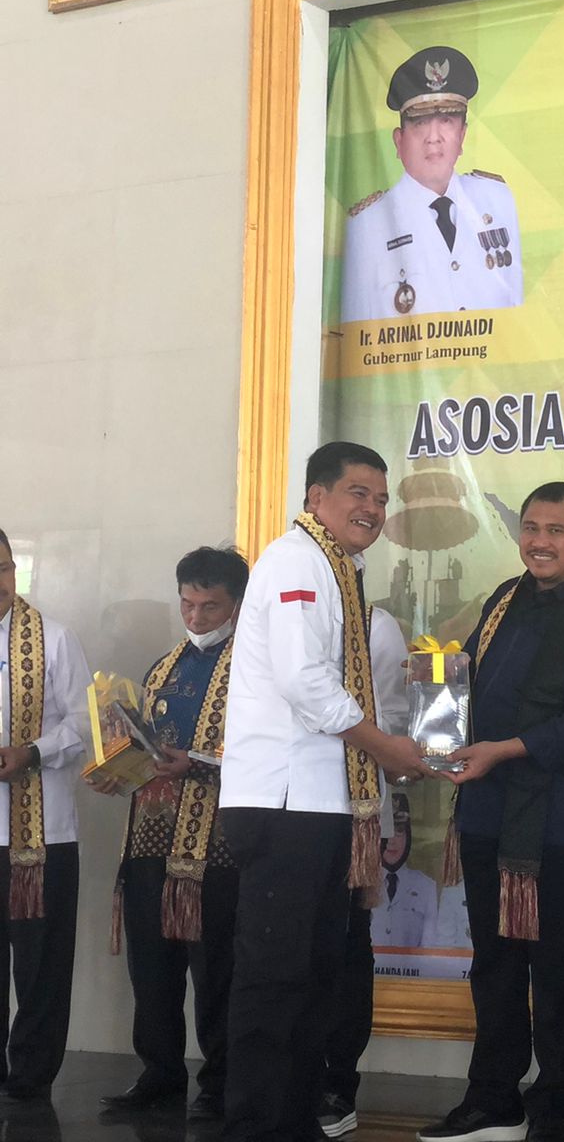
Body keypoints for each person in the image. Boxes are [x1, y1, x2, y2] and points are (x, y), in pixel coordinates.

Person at [219, 442, 434, 1140]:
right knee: (274, 978)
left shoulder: (340, 567)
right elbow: (303, 681)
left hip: (324, 804)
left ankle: (294, 1120)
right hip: (284, 802)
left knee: (316, 976)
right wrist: (383, 747)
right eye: (357, 493)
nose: (372, 508)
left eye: (381, 498)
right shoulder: (295, 559)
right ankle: (255, 1126)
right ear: (316, 497)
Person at [419, 482, 564, 1142]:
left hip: (561, 823)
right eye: (531, 528)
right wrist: (437, 718)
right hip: (487, 811)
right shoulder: (503, 600)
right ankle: (493, 1099)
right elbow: (469, 682)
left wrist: (503, 750)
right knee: (495, 962)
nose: (540, 542)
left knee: (556, 967)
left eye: (556, 531)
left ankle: (554, 1109)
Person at [94, 548, 249, 1121]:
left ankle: (221, 1084)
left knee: (217, 971)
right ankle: (159, 1073)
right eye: (187, 604)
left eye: (211, 607)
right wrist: (117, 768)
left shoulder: (254, 669)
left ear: (238, 604)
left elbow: (266, 754)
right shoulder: (162, 668)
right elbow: (145, 746)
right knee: (152, 967)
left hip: (217, 844)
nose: (197, 617)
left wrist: (199, 762)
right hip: (151, 837)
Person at [0, 526, 91, 1100]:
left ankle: (31, 1082)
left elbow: (85, 724)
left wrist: (31, 752)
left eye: (4, 568)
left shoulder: (54, 639)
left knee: (42, 967)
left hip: (42, 836)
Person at [341, 45, 523, 322]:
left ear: (462, 136)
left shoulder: (497, 199)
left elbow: (515, 313)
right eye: (420, 123)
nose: (433, 137)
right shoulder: (368, 224)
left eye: (446, 120)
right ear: (399, 141)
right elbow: (358, 332)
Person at [318, 602, 410, 1139]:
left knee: (347, 946)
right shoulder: (272, 617)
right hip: (283, 814)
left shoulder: (375, 625)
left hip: (355, 809)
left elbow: (394, 717)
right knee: (289, 950)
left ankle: (337, 1085)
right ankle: (287, 1078)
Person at [370, 792, 440, 950]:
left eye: (399, 830)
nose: (391, 841)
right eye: (385, 831)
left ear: (408, 835)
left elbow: (429, 945)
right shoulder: (364, 882)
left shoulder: (426, 886)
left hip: (414, 966)